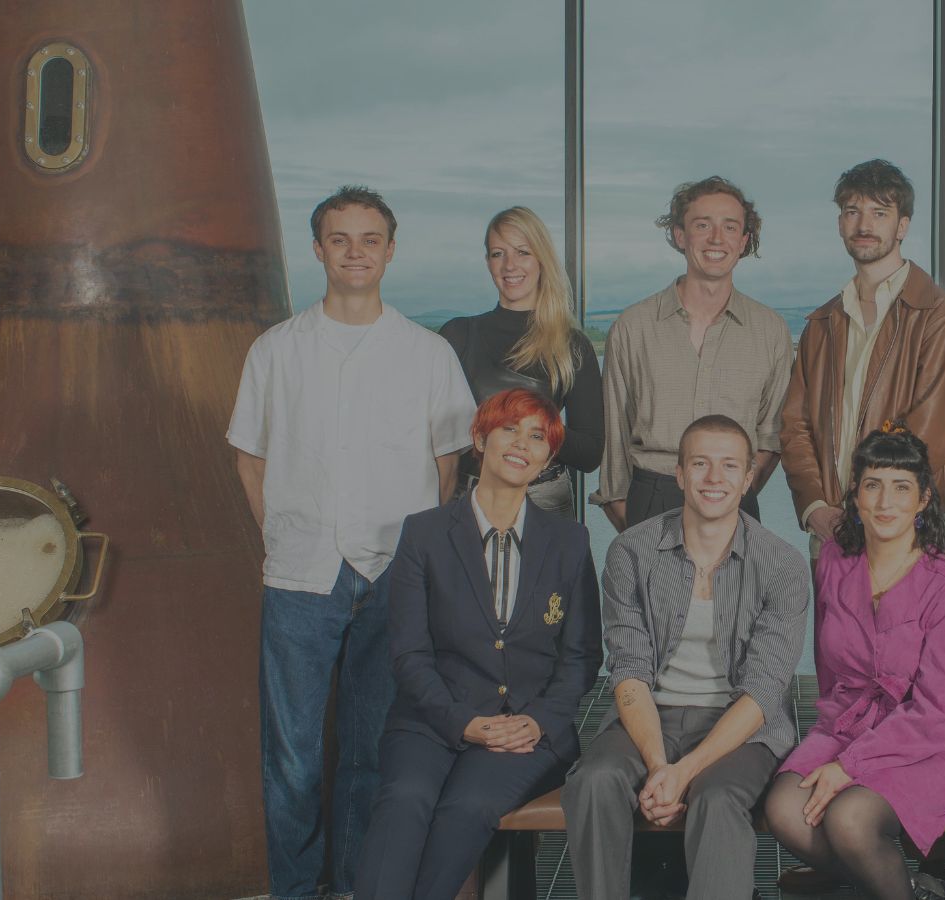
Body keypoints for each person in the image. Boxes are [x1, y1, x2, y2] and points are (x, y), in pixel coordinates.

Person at [228, 185, 476, 900]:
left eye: (371, 239)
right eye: (341, 239)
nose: (356, 252)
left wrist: (420, 557)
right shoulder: (275, 351)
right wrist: (280, 533)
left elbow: (448, 461)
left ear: (391, 251)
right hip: (301, 576)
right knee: (293, 761)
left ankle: (360, 888)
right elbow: (251, 457)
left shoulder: (425, 354)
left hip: (395, 575)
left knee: (373, 755)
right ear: (318, 249)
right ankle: (297, 892)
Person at [355, 389, 602, 899]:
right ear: (479, 438)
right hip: (431, 720)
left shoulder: (570, 541)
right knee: (405, 798)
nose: (521, 444)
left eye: (537, 436)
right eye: (509, 428)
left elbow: (581, 658)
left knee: (466, 807)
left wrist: (537, 721)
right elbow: (409, 653)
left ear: (548, 458)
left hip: (527, 729)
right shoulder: (423, 534)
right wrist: (462, 722)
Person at [564, 415, 809, 900]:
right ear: (679, 474)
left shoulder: (782, 564)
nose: (714, 479)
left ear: (747, 479)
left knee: (717, 800)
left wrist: (686, 771)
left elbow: (763, 692)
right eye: (700, 464)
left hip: (742, 726)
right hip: (650, 715)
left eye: (728, 466)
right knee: (594, 782)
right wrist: (660, 766)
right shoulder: (631, 551)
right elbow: (629, 670)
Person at [766, 425, 945, 900]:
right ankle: (911, 890)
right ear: (856, 498)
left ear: (924, 498)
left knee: (850, 819)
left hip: (933, 742)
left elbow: (940, 710)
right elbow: (829, 672)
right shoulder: (833, 565)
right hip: (848, 726)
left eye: (901, 487)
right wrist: (836, 745)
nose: (886, 502)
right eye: (873, 485)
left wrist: (850, 765)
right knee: (786, 810)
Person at [780, 159, 945, 559]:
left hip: (906, 532)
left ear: (902, 226)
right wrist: (815, 507)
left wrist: (867, 507)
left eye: (879, 213)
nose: (864, 225)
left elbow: (932, 434)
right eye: (853, 212)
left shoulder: (937, 314)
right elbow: (795, 426)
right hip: (830, 535)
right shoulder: (822, 323)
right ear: (840, 224)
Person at [591, 177, 793, 531]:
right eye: (703, 225)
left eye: (730, 227)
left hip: (735, 502)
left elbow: (770, 436)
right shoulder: (632, 326)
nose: (717, 239)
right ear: (680, 235)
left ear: (744, 241)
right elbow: (614, 433)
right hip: (652, 497)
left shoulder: (772, 332)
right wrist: (627, 515)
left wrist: (734, 493)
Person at [439, 206, 603, 517]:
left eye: (522, 252)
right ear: (488, 262)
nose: (509, 265)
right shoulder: (458, 335)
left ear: (541, 259)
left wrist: (533, 425)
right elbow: (435, 437)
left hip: (544, 505)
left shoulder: (572, 345)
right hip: (468, 504)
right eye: (498, 253)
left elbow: (590, 453)